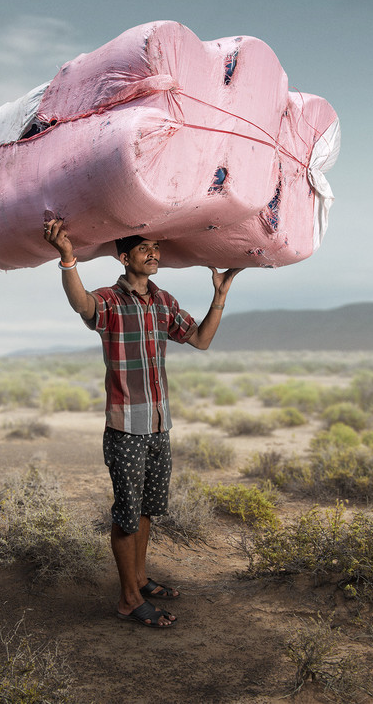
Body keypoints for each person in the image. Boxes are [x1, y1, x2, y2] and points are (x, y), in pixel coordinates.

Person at [42, 218, 241, 628]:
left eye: (156, 247)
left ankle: (140, 579)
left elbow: (201, 340)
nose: (154, 254)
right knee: (127, 515)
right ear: (124, 257)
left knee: (148, 509)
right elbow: (82, 305)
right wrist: (67, 259)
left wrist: (219, 297)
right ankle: (129, 599)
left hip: (158, 424)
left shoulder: (164, 301)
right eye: (145, 248)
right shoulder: (110, 302)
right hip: (125, 427)